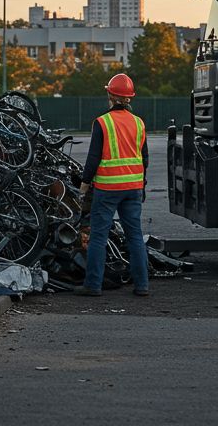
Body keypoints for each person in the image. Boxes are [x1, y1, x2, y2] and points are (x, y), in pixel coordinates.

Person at [76, 72, 151, 297]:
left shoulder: (102, 122)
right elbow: (144, 158)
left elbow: (93, 158)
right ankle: (142, 285)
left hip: (107, 188)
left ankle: (93, 285)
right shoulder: (139, 123)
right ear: (129, 98)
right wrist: (142, 185)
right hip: (133, 188)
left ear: (110, 95)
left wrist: (84, 184)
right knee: (135, 236)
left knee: (99, 237)